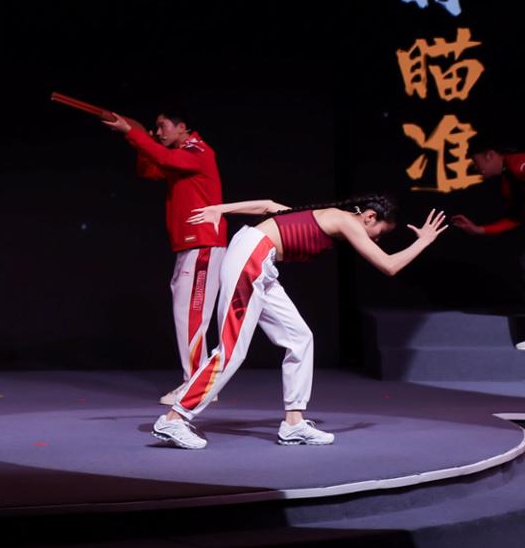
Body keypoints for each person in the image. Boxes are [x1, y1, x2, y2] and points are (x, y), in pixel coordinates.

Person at [152, 195, 447, 450]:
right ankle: (174, 418)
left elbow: (268, 206)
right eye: (379, 232)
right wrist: (424, 241)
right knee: (232, 350)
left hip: (260, 261)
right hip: (251, 257)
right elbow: (389, 265)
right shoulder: (347, 221)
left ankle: (293, 423)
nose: (376, 239)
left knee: (300, 338)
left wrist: (221, 209)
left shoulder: (328, 216)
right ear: (369, 217)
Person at [102, 109, 226, 403]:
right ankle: (198, 382)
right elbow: (150, 170)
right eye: (155, 129)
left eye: (162, 126)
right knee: (186, 315)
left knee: (191, 317)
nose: (158, 133)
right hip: (190, 246)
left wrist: (133, 133)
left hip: (203, 244)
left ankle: (196, 385)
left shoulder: (198, 150)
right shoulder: (180, 155)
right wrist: (136, 139)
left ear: (182, 127)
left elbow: (166, 159)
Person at [452, 143, 525, 350]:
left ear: (490, 155)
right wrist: (478, 230)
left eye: (476, 162)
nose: (476, 168)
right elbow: (514, 219)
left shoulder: (518, 163)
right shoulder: (509, 181)